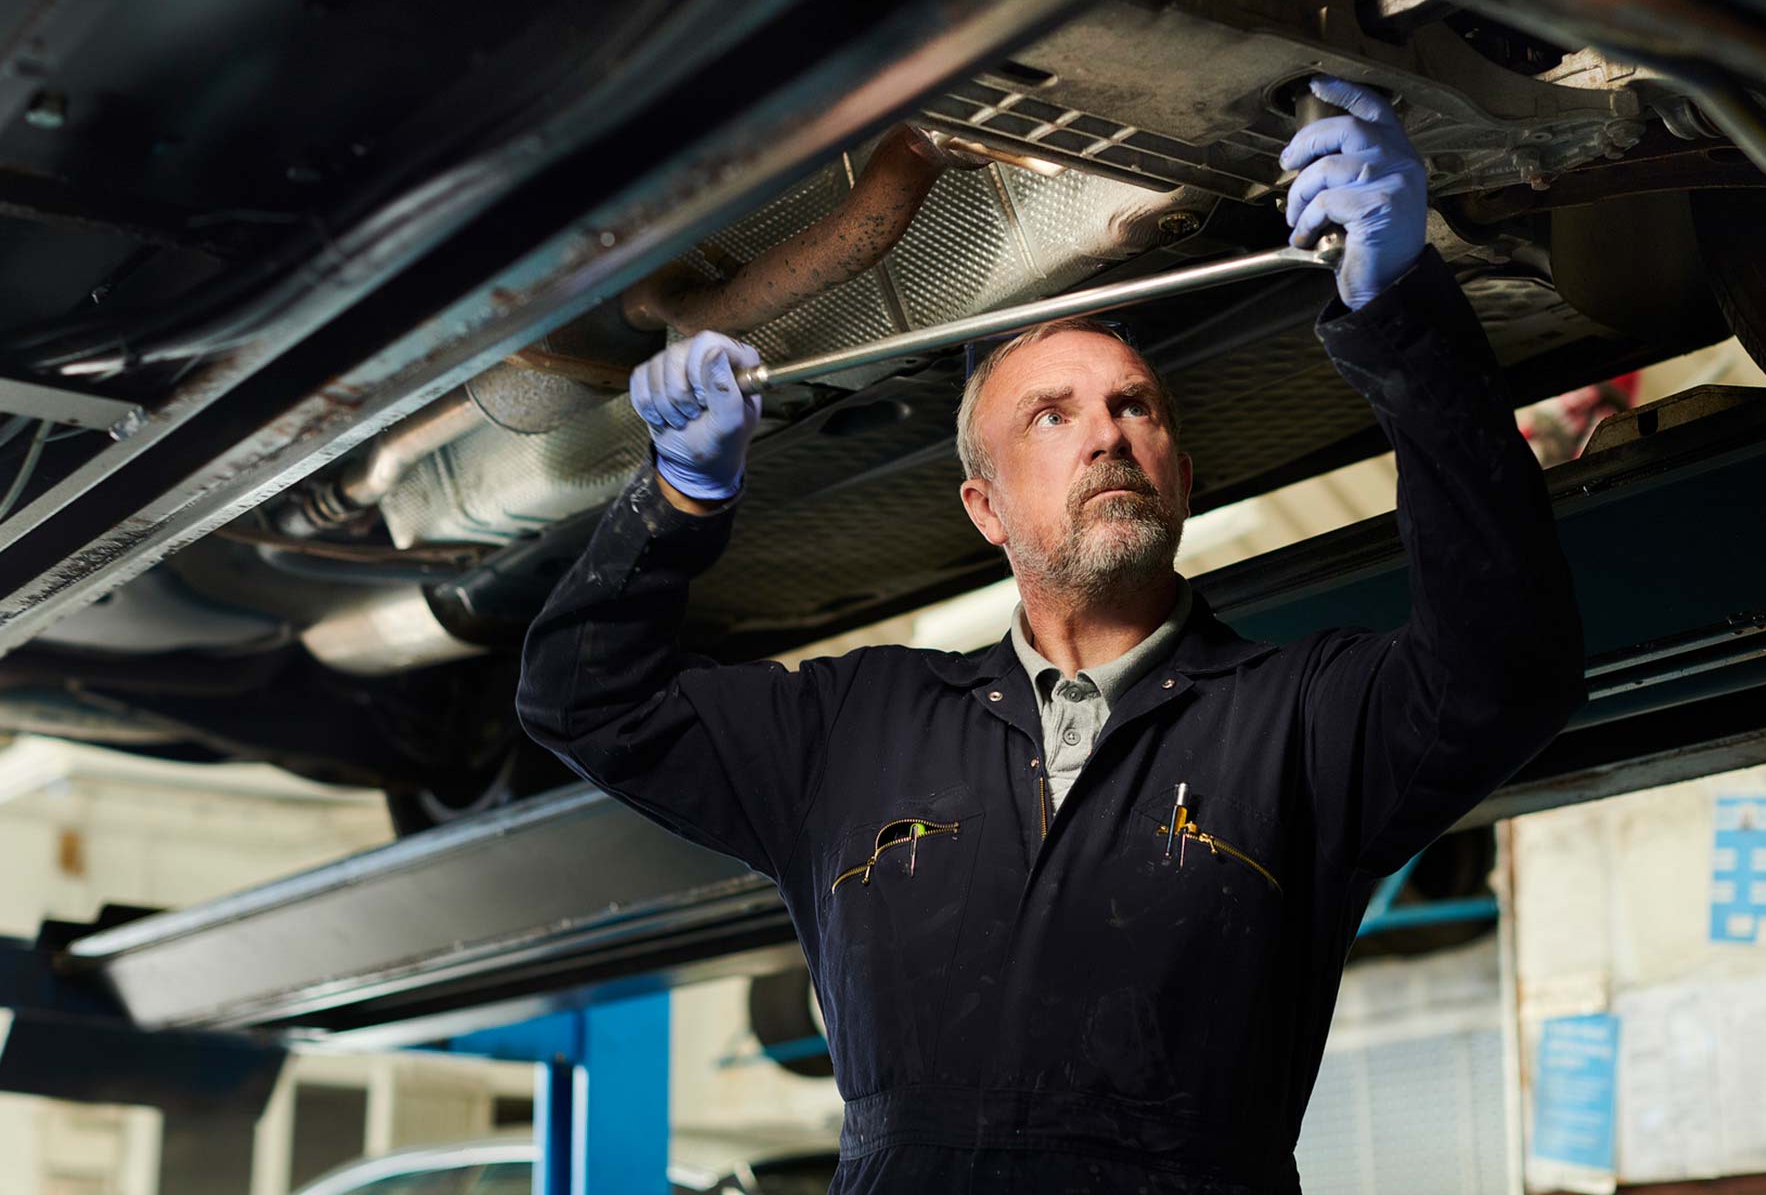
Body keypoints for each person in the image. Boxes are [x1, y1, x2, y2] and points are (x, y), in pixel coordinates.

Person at [518, 78, 1584, 1194]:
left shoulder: (1302, 724)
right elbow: (583, 699)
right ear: (984, 510)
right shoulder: (847, 732)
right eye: (1052, 415)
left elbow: (1508, 669)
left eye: (1135, 409)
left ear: (1183, 477)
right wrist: (676, 499)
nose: (1108, 437)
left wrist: (1405, 312)